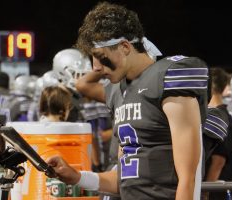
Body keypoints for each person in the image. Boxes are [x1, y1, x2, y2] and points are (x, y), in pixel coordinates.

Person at [46, 2, 208, 200]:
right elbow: (126, 180)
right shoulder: (117, 91)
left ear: (124, 47)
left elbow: (188, 179)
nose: (95, 67)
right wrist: (78, 177)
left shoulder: (167, 78)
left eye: (100, 56)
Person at [203, 67, 232, 200]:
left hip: (217, 189)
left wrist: (206, 192)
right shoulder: (220, 114)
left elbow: (218, 160)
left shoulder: (219, 116)